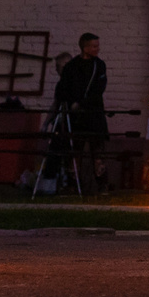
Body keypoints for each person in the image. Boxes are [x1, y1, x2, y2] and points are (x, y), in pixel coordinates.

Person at [52, 32, 109, 188]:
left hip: (94, 114)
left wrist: (82, 103)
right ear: (85, 47)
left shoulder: (99, 65)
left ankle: (101, 184)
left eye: (97, 45)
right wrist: (72, 104)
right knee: (74, 151)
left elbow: (98, 89)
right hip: (76, 118)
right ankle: (73, 184)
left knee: (97, 152)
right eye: (94, 46)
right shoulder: (72, 67)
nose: (97, 49)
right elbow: (64, 89)